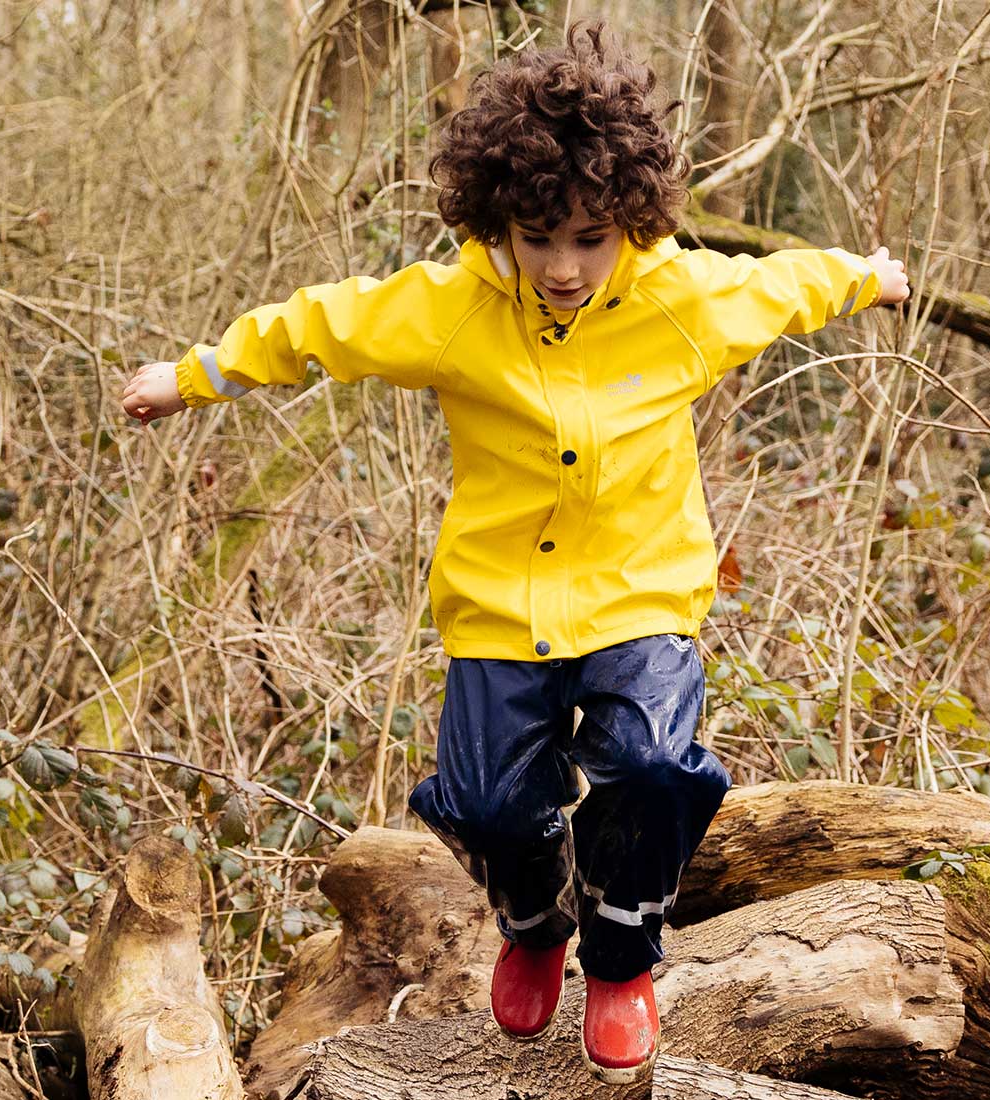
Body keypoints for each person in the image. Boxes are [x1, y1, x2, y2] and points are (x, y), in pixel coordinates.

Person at [121, 20, 909, 1084]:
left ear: (629, 221)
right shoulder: (449, 311)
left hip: (640, 593)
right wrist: (194, 373)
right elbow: (320, 325)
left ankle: (622, 956)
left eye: (589, 238)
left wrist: (867, 273)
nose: (564, 266)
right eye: (538, 239)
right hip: (499, 602)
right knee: (486, 801)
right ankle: (534, 922)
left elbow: (792, 284)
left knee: (650, 762)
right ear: (498, 222)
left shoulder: (684, 302)